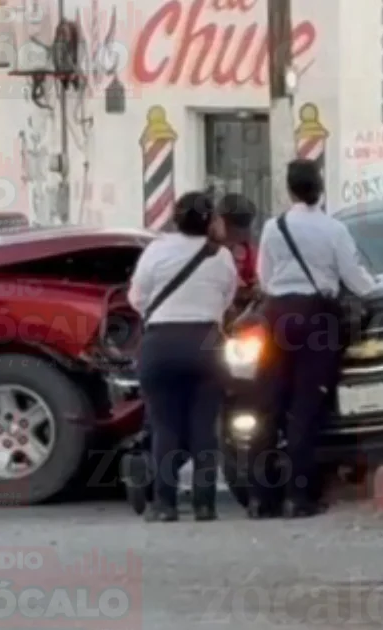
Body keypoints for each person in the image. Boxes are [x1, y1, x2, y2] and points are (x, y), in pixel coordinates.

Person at [250, 159, 380, 519]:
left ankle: (262, 498)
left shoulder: (273, 228)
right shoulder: (334, 229)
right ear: (320, 188)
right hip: (318, 318)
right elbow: (356, 280)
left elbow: (263, 278)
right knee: (306, 408)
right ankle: (299, 496)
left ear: (289, 190)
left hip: (277, 315)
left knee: (268, 406)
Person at [128, 191, 237, 522]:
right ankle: (205, 505)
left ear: (175, 218)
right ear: (210, 221)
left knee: (164, 426)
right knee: (205, 426)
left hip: (160, 343)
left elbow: (136, 298)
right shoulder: (222, 256)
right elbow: (227, 298)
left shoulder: (155, 250)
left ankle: (165, 505)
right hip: (206, 343)